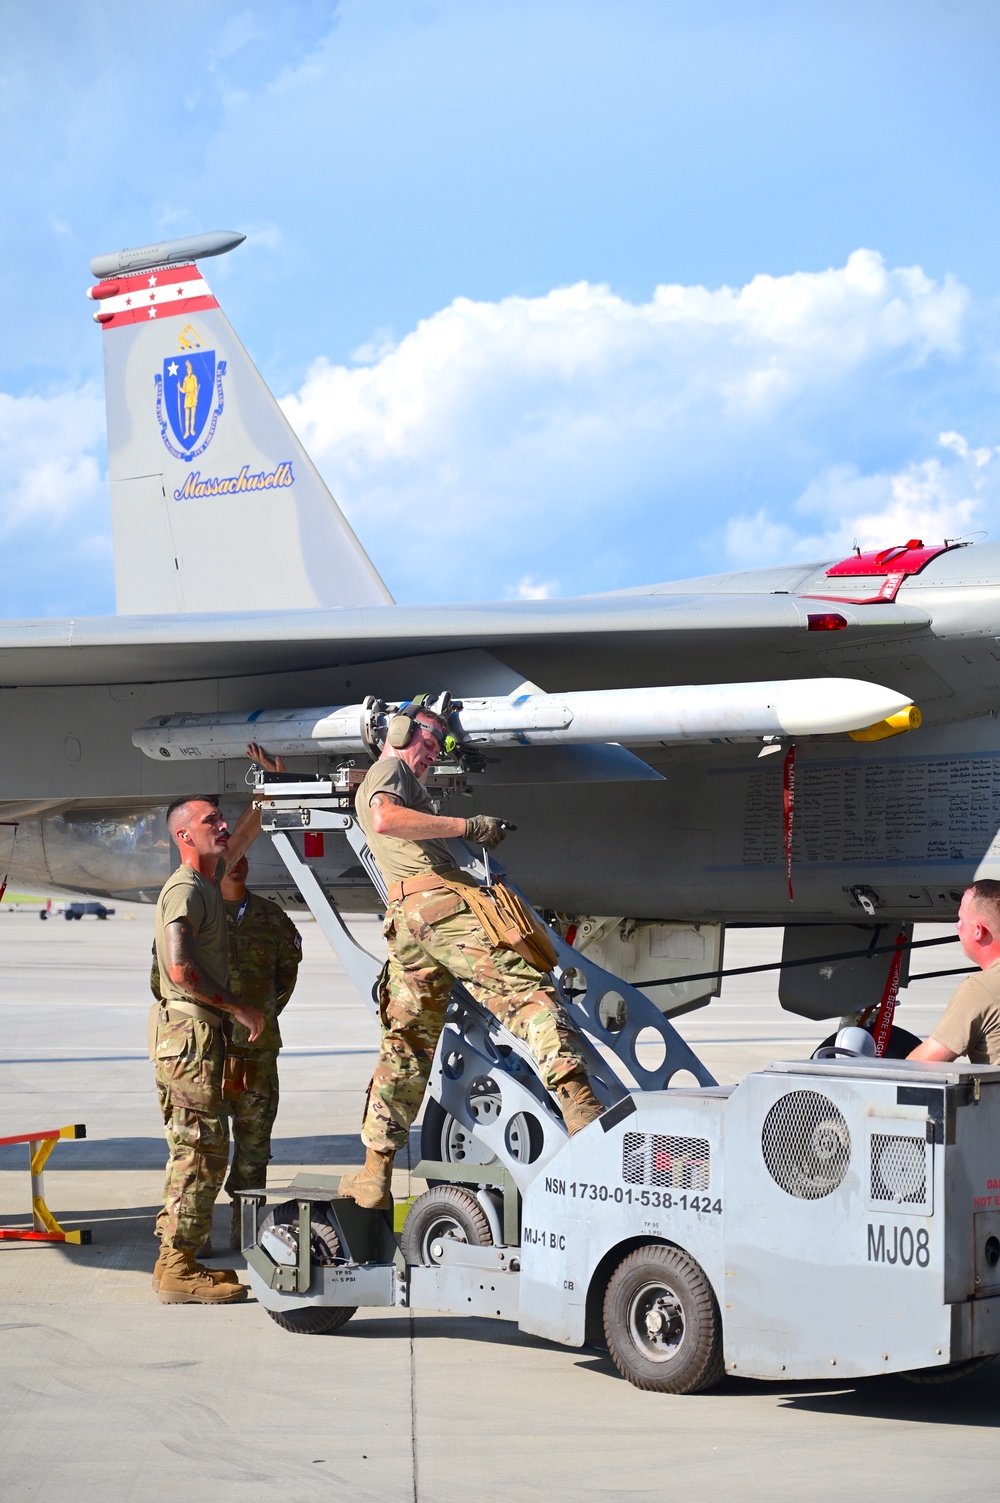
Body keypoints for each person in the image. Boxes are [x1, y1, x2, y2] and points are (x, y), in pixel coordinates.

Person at [337, 703, 603, 1211]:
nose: (430, 758)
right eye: (428, 745)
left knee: (406, 1046)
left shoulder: (391, 777)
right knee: (525, 992)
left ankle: (375, 1173)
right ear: (398, 732)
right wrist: (467, 826)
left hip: (406, 923)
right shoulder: (389, 770)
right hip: (437, 908)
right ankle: (581, 1109)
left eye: (437, 751)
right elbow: (385, 817)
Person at [151, 743, 283, 1304]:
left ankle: (174, 1265)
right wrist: (240, 1006)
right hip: (190, 1033)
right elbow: (180, 969)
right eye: (211, 821)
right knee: (198, 1150)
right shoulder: (185, 890)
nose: (223, 826)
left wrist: (267, 792)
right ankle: (178, 1268)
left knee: (203, 1148)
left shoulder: (209, 879)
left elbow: (248, 834)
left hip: (199, 1036)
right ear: (185, 835)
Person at [218, 855, 302, 1246]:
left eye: (241, 856)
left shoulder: (271, 918)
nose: (236, 863)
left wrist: (263, 1012)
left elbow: (287, 974)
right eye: (226, 858)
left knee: (255, 1142)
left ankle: (244, 1225)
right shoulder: (191, 914)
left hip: (257, 1048)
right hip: (205, 1050)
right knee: (202, 1143)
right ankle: (195, 1230)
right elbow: (163, 977)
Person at [908, 880, 1000, 1067]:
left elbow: (919, 1067)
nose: (958, 926)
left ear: (978, 931)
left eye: (961, 919)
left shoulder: (981, 989)